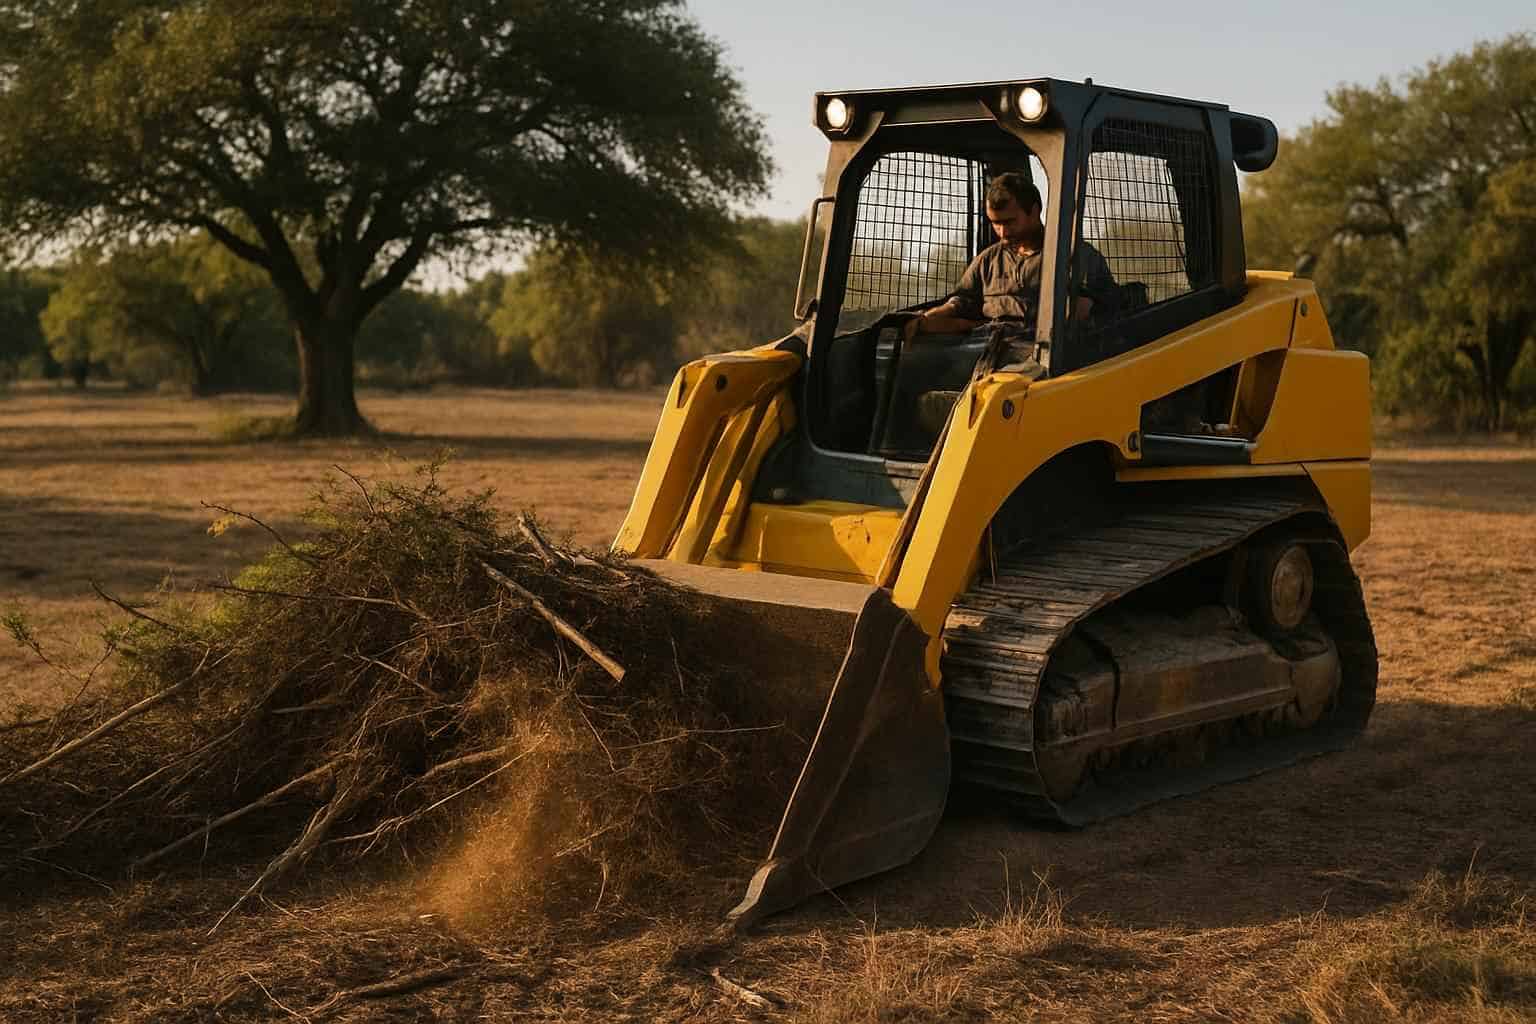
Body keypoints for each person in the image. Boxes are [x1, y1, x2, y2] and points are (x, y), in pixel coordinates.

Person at [902, 171, 1117, 372]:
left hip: (1043, 363)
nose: (1003, 232)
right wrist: (925, 320)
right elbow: (960, 303)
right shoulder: (988, 259)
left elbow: (1078, 316)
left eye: (1009, 222)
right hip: (986, 354)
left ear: (1034, 211)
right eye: (996, 223)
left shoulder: (1074, 257)